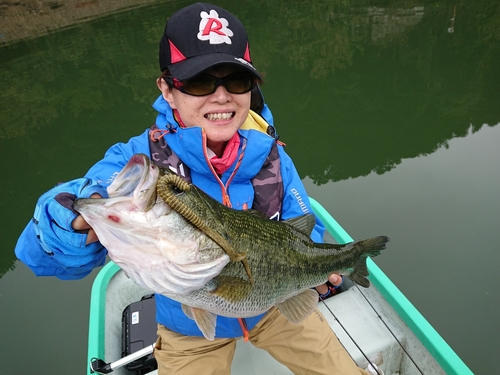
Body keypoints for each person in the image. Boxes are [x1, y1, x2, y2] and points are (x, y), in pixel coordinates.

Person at [15, 3, 370, 375]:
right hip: (189, 332)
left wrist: (313, 270)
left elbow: (303, 225)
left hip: (274, 309)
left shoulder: (272, 154)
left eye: (236, 80)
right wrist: (63, 223)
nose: (221, 97)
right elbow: (40, 251)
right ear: (167, 89)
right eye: (200, 81)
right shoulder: (140, 160)